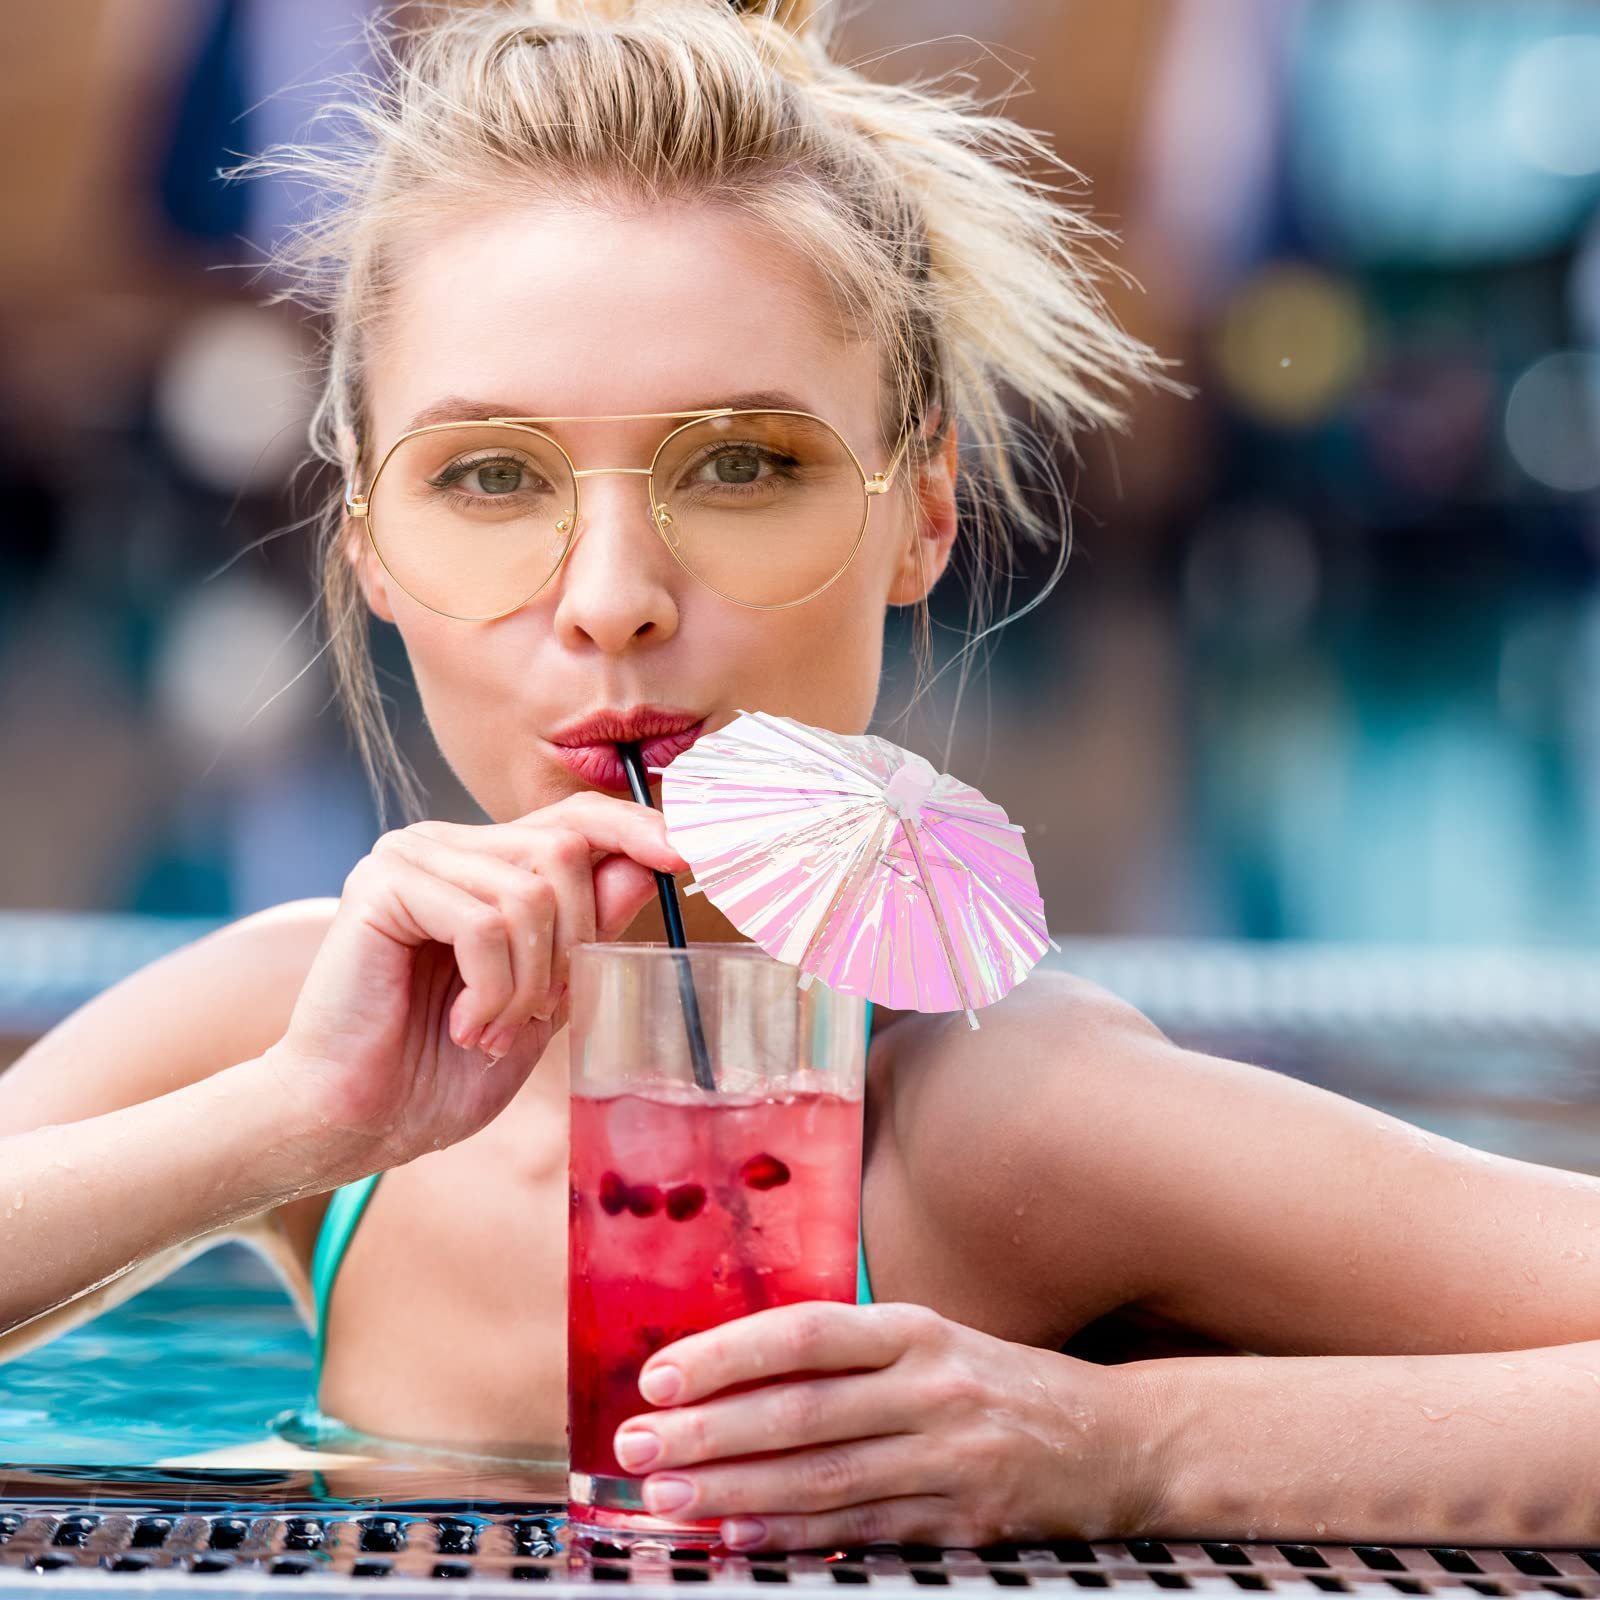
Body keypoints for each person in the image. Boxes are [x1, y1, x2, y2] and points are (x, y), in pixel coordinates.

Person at [3, 0, 1598, 1551]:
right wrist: (288, 1124)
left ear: (924, 515)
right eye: (490, 474)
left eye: (745, 465)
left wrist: (1123, 1447)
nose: (613, 591)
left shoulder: (999, 1126)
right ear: (367, 549)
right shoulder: (290, 1028)